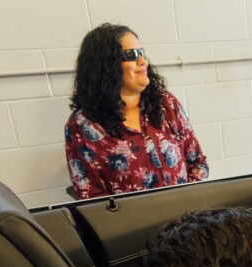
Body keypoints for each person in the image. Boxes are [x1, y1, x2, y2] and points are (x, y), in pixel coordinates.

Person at [65, 23, 209, 199]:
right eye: (132, 55)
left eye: (141, 53)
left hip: (184, 217)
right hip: (131, 223)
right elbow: (91, 196)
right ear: (107, 65)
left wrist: (186, 208)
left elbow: (197, 164)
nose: (143, 61)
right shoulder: (82, 125)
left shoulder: (166, 104)